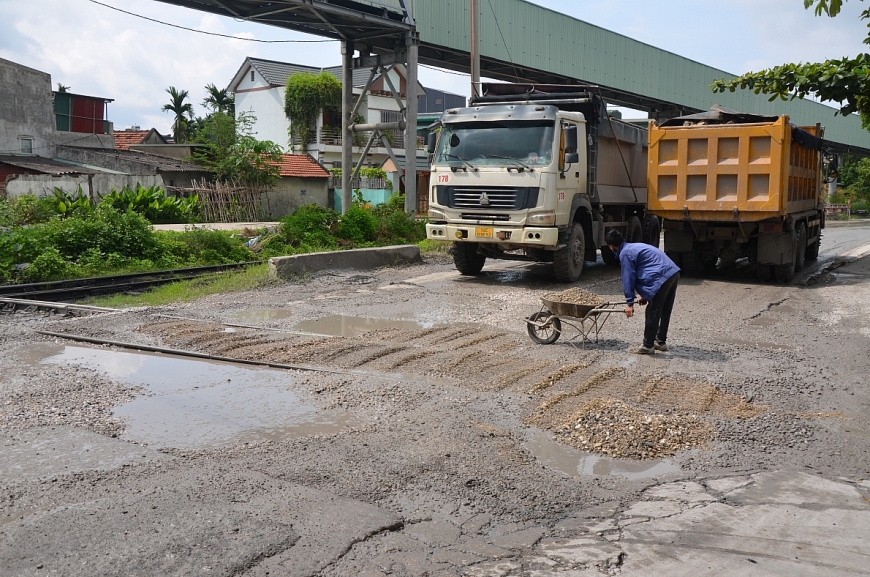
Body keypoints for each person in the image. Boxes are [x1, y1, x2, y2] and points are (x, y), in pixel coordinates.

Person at [605, 228, 680, 354]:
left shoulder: (625, 253)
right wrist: (646, 295)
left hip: (662, 277)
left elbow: (628, 278)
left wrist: (629, 303)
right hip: (673, 273)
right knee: (664, 309)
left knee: (653, 311)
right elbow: (648, 268)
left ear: (611, 246)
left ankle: (648, 345)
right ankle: (660, 341)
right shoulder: (632, 247)